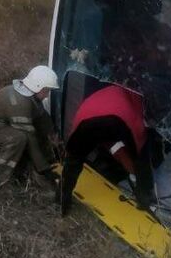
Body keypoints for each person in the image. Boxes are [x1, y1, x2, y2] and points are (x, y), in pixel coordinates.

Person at [58, 84, 158, 217]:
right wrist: (139, 175)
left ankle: (61, 200)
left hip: (84, 118)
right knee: (140, 157)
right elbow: (140, 146)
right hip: (118, 119)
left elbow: (103, 138)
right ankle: (144, 201)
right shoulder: (137, 103)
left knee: (74, 160)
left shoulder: (109, 90)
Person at [0, 65, 59, 185]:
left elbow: (42, 119)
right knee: (18, 138)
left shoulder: (31, 96)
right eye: (46, 90)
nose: (47, 95)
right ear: (37, 86)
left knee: (24, 135)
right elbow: (29, 137)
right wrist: (44, 169)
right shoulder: (20, 102)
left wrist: (54, 138)